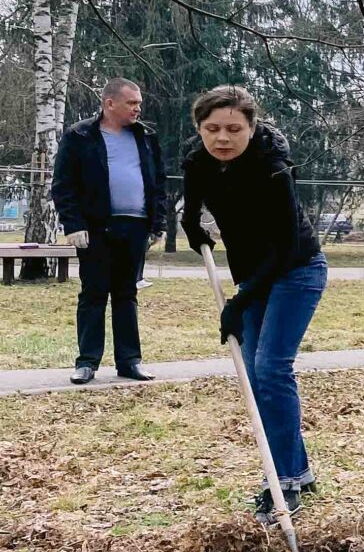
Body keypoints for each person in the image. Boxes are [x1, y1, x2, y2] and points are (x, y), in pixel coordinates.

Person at [179, 86, 328, 525]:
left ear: (251, 126)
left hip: (296, 269)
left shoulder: (273, 168)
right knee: (254, 370)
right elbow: (191, 208)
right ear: (199, 128)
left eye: (233, 129)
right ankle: (299, 469)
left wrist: (240, 301)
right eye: (212, 129)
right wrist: (192, 229)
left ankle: (281, 482)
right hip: (252, 275)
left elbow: (284, 247)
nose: (222, 138)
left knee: (271, 369)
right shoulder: (198, 160)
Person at [51, 78, 167, 384]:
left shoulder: (145, 136)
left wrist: (158, 223)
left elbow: (158, 182)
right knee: (93, 294)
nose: (138, 108)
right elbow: (63, 185)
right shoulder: (79, 136)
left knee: (126, 294)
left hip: (136, 225)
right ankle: (87, 362)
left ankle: (129, 361)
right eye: (132, 103)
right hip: (96, 228)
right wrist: (73, 224)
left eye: (139, 103)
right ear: (109, 103)